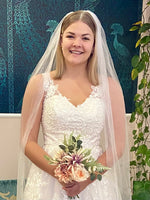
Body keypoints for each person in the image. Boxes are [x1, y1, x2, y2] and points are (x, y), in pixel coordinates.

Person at [17, 10, 131, 200]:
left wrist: (86, 179)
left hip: (96, 183)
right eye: (71, 36)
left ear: (94, 45)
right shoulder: (39, 83)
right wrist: (59, 173)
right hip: (47, 182)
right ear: (61, 40)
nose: (77, 44)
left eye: (85, 38)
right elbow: (28, 141)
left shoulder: (110, 87)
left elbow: (117, 146)